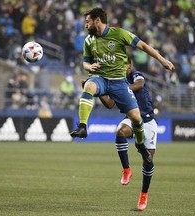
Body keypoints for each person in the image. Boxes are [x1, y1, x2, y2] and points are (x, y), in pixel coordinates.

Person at [70, 8, 174, 163]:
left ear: (97, 20)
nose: (85, 25)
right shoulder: (88, 41)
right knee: (89, 86)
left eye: (87, 21)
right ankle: (83, 126)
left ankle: (140, 145)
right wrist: (88, 67)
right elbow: (85, 61)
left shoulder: (119, 34)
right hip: (101, 78)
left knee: (136, 118)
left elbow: (144, 46)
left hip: (119, 82)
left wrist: (162, 60)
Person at [82, 58, 157, 211]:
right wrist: (98, 92)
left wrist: (121, 90)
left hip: (148, 122)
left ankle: (143, 194)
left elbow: (140, 84)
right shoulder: (116, 81)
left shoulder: (136, 75)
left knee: (148, 161)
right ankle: (126, 169)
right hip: (131, 119)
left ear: (128, 66)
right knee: (120, 132)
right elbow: (110, 104)